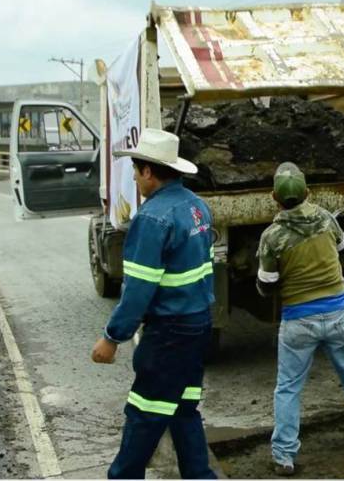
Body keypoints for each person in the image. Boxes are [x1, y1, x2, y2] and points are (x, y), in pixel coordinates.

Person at [91, 128, 217, 480]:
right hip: (197, 325)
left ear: (149, 171)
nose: (134, 176)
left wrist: (112, 337)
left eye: (135, 169)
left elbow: (137, 292)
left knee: (145, 412)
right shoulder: (197, 208)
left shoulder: (151, 219)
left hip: (169, 332)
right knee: (183, 409)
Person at [256, 162, 344, 477]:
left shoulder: (272, 236)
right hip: (338, 314)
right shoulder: (327, 219)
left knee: (288, 387)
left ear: (274, 197)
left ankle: (284, 457)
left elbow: (267, 285)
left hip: (298, 322)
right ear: (307, 192)